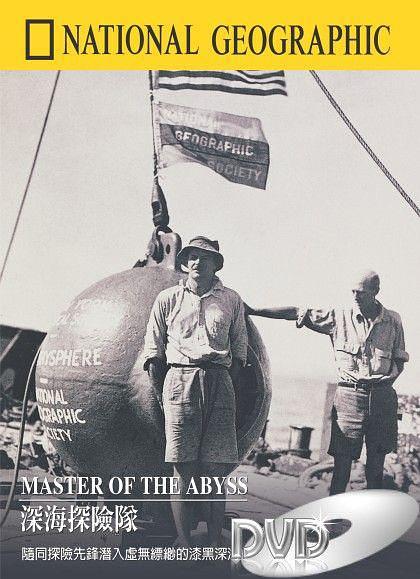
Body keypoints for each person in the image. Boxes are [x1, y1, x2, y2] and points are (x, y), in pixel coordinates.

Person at [247, 270, 409, 495]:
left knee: (376, 468)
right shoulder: (338, 317)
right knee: (341, 467)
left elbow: (400, 360)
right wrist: (254, 311)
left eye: (361, 292)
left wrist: (387, 380)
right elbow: (297, 313)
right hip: (349, 399)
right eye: (353, 291)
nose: (355, 296)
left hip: (383, 398)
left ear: (376, 292)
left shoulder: (393, 321)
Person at [142, 236, 248, 546]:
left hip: (219, 382)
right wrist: (164, 394)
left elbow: (240, 351)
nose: (198, 262)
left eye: (206, 257)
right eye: (193, 257)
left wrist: (223, 384)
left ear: (216, 264)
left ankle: (213, 542)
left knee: (216, 471)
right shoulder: (168, 299)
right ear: (186, 262)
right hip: (179, 380)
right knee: (183, 468)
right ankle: (185, 542)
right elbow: (154, 350)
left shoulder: (231, 300)